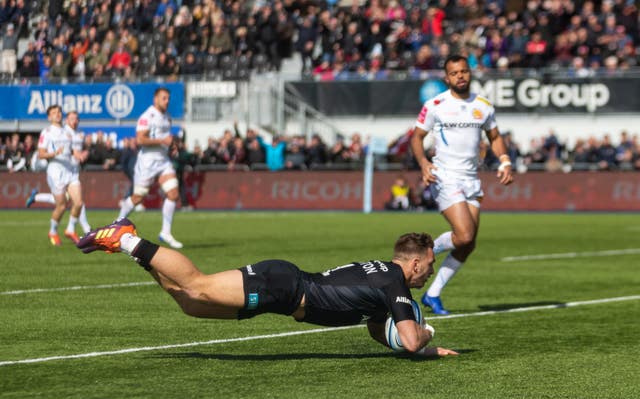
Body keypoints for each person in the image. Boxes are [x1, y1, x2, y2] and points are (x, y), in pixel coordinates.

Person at [76, 218, 458, 357]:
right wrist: (425, 336)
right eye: (429, 265)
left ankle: (130, 248)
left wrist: (418, 348)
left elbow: (378, 328)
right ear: (414, 262)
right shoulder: (396, 285)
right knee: (198, 285)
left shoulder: (382, 277)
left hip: (283, 293)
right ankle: (126, 238)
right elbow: (409, 339)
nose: (428, 272)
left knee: (189, 303)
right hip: (283, 287)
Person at [409, 55, 514, 315]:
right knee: (464, 235)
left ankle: (432, 294)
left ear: (470, 73)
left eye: (464, 71)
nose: (460, 76)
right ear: (447, 78)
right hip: (445, 175)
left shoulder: (483, 105)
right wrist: (423, 164)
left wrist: (504, 160)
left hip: (471, 178)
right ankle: (422, 251)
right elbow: (417, 137)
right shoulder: (435, 105)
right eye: (455, 73)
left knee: (468, 243)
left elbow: (495, 136)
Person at [117, 87, 183, 248]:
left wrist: (172, 146)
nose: (167, 101)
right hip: (147, 162)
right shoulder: (147, 116)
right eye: (163, 98)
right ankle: (117, 223)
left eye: (168, 98)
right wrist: (162, 141)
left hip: (163, 161)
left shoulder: (167, 117)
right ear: (155, 99)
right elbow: (140, 140)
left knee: (173, 193)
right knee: (138, 197)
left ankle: (165, 233)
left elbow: (165, 139)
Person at [26, 111, 92, 235]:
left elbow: (78, 151)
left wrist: (84, 153)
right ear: (66, 120)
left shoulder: (78, 134)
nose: (75, 121)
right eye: (72, 118)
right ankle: (82, 228)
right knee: (64, 202)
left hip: (73, 171)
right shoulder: (62, 132)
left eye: (77, 118)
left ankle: (79, 228)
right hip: (61, 172)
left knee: (75, 201)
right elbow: (50, 150)